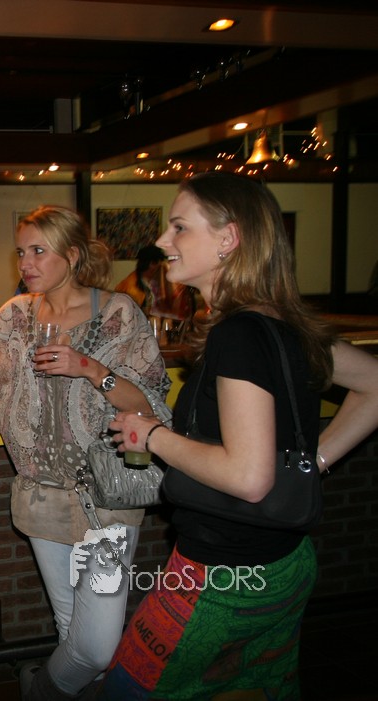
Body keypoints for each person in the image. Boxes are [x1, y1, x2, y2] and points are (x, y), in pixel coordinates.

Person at [101, 171, 378, 699]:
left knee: (126, 689)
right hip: (287, 563)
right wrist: (311, 464)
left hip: (224, 575)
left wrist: (152, 435)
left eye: (180, 227)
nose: (162, 240)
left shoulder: (238, 334)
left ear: (228, 239)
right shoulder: (283, 322)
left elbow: (248, 478)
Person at [0, 206, 170, 700]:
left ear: (73, 254)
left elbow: (149, 401)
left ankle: (38, 689)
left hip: (107, 497)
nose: (26, 262)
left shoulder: (119, 313)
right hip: (42, 494)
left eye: (39, 250)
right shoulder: (18, 313)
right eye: (21, 251)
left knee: (97, 646)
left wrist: (88, 368)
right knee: (69, 627)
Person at [114, 244, 194, 321]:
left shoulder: (161, 277)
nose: (159, 266)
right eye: (156, 263)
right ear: (148, 264)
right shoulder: (130, 286)